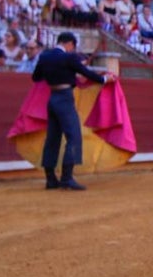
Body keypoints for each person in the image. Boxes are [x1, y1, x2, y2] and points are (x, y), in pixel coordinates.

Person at [32, 31, 114, 190]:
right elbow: (86, 73)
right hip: (64, 98)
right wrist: (104, 79)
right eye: (73, 47)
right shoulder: (69, 57)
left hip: (52, 98)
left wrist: (59, 74)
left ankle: (50, 179)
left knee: (52, 138)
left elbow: (36, 77)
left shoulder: (45, 56)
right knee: (74, 136)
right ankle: (67, 178)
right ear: (69, 43)